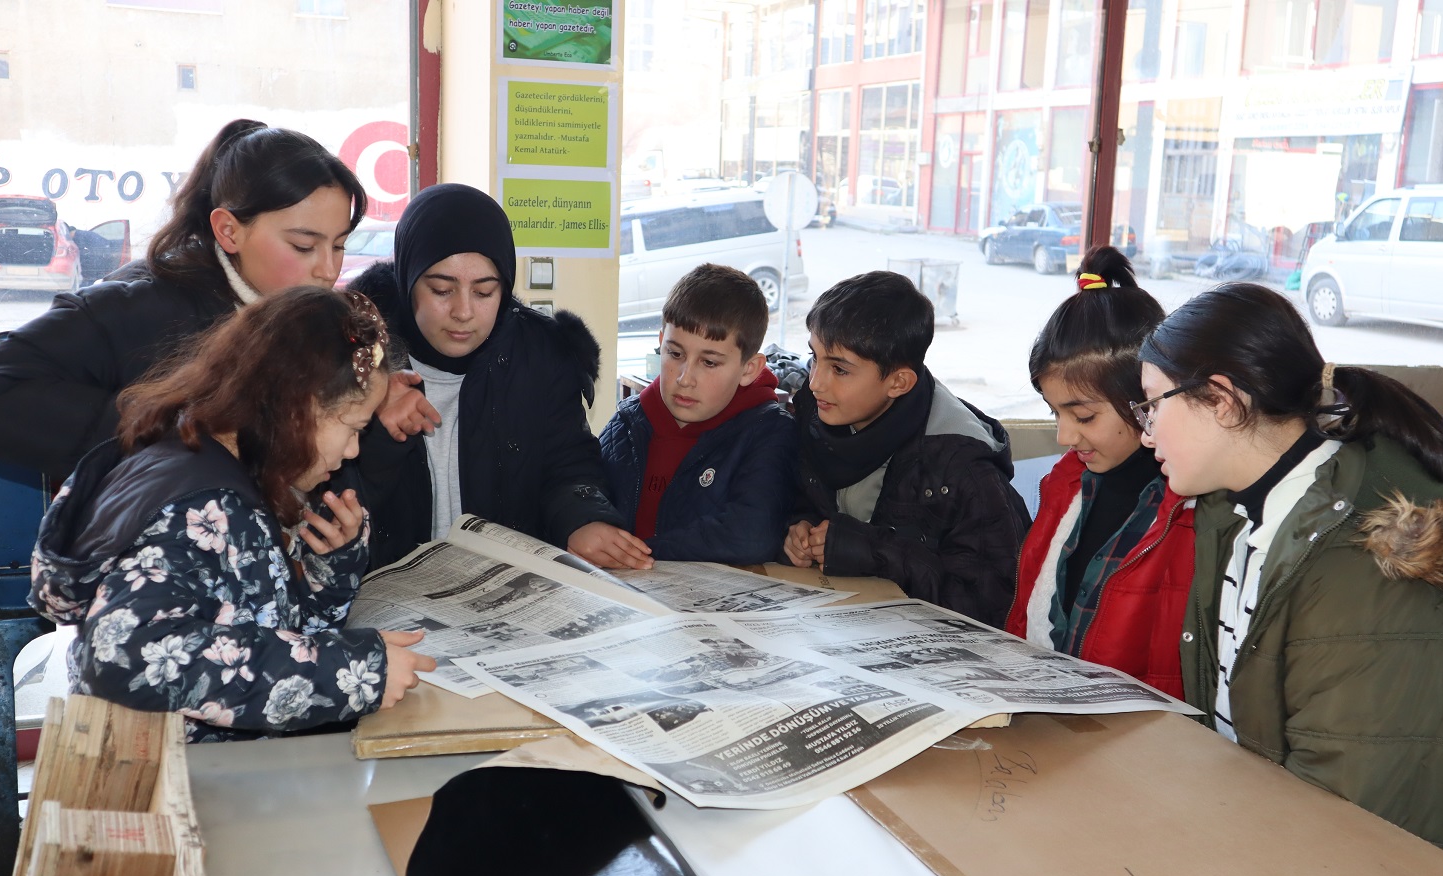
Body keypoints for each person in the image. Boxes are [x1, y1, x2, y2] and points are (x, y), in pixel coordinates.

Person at [1137, 281, 1443, 872]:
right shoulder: (1239, 513)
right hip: (1278, 853)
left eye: (1153, 404)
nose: (1146, 432)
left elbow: (1353, 833)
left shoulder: (1362, 569)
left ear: (1222, 399)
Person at [27, 287, 435, 742]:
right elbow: (122, 657)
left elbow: (265, 635)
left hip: (218, 777)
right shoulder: (204, 508)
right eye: (354, 428)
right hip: (176, 793)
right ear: (299, 408)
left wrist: (329, 570)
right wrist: (356, 672)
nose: (353, 451)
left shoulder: (201, 461)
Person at [0, 118, 368, 482]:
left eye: (338, 245)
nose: (328, 269)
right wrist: (183, 431)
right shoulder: (140, 307)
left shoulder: (306, 319)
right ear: (228, 231)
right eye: (303, 246)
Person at [346, 183, 639, 570]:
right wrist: (380, 438)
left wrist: (582, 518)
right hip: (388, 589)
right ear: (406, 280)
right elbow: (325, 495)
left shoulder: (541, 356)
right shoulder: (355, 359)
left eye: (484, 292)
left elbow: (568, 463)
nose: (463, 311)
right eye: (440, 289)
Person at [782, 270, 1030, 626]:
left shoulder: (964, 468)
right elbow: (794, 497)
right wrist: (795, 529)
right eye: (814, 357)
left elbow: (992, 604)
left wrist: (870, 551)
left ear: (898, 382)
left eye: (839, 369)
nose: (815, 382)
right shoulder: (813, 411)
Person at [1005, 248, 1190, 698]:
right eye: (1055, 414)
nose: (1066, 437)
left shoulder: (1188, 510)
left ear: (1144, 399)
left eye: (1084, 417)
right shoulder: (1066, 483)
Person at [599, 264, 796, 564]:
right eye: (675, 354)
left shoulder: (768, 433)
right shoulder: (626, 423)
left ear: (749, 368)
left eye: (710, 363)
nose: (685, 378)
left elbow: (749, 534)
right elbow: (586, 493)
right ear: (661, 340)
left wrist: (635, 553)